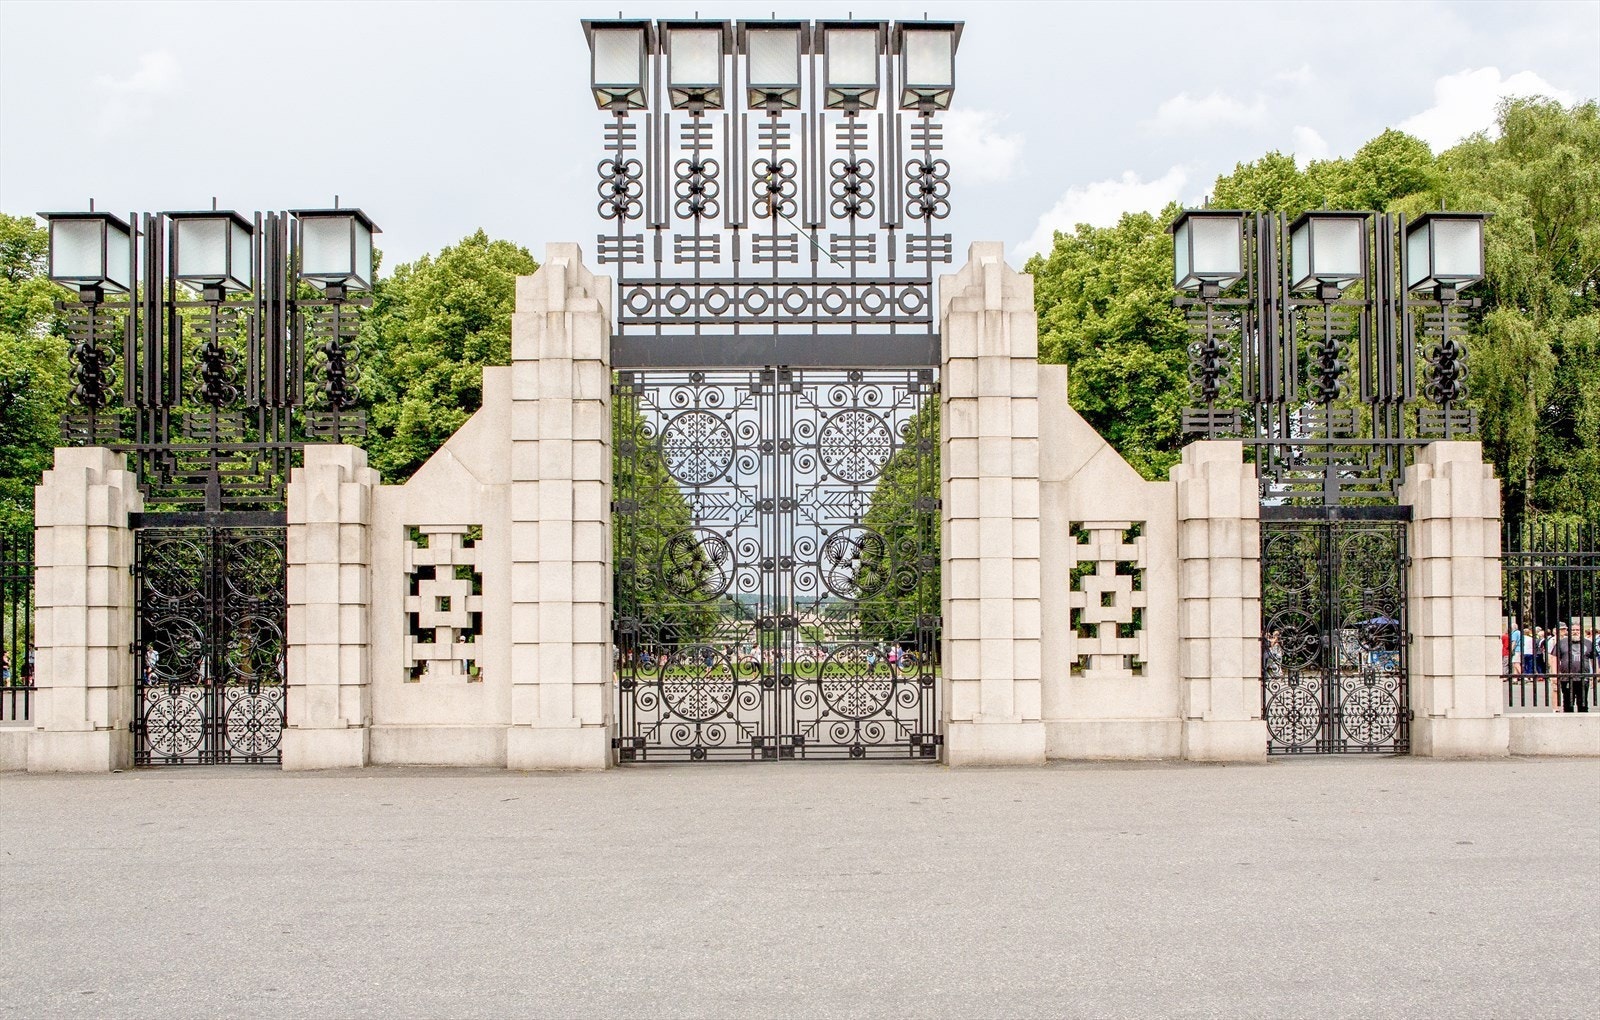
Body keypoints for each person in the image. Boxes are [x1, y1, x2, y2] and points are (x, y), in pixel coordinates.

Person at [1551, 622, 1590, 714]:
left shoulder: (1588, 643)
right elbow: (1554, 658)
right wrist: (1554, 675)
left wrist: (1595, 675)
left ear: (1582, 631)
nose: (1575, 632)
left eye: (1577, 630)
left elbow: (1594, 659)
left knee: (1583, 703)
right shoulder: (1561, 643)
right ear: (1569, 631)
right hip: (1566, 677)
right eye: (1573, 630)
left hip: (1583, 677)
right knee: (1568, 703)